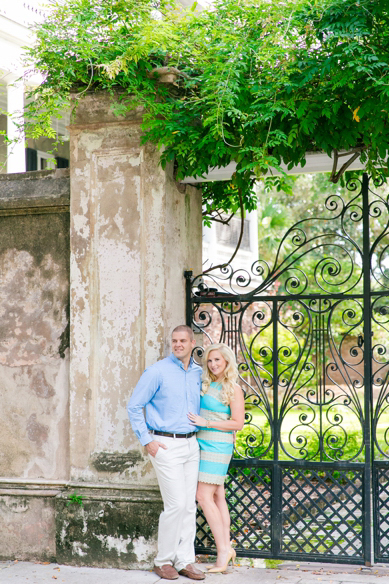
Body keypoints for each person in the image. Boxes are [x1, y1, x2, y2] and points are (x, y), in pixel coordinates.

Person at [127, 325, 205, 581]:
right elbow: (134, 406)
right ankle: (163, 561)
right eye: (174, 341)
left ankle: (185, 560)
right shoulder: (157, 371)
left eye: (183, 340)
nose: (178, 344)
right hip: (165, 444)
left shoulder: (196, 372)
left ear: (192, 342)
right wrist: (146, 440)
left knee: (189, 506)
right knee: (175, 505)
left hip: (191, 445)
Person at [188, 343, 245, 574]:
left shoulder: (233, 388)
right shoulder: (204, 383)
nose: (212, 365)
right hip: (200, 441)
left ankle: (223, 550)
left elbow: (238, 423)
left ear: (227, 362)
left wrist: (207, 423)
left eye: (217, 361)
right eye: (210, 361)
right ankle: (227, 547)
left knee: (202, 495)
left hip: (218, 445)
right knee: (217, 495)